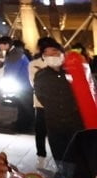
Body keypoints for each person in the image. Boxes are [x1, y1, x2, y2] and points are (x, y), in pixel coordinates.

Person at [30, 37, 83, 165]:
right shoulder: (41, 75)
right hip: (55, 124)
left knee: (80, 158)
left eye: (54, 52)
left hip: (76, 123)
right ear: (43, 56)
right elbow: (41, 96)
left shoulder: (75, 72)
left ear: (62, 53)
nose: (51, 55)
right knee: (61, 159)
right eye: (47, 54)